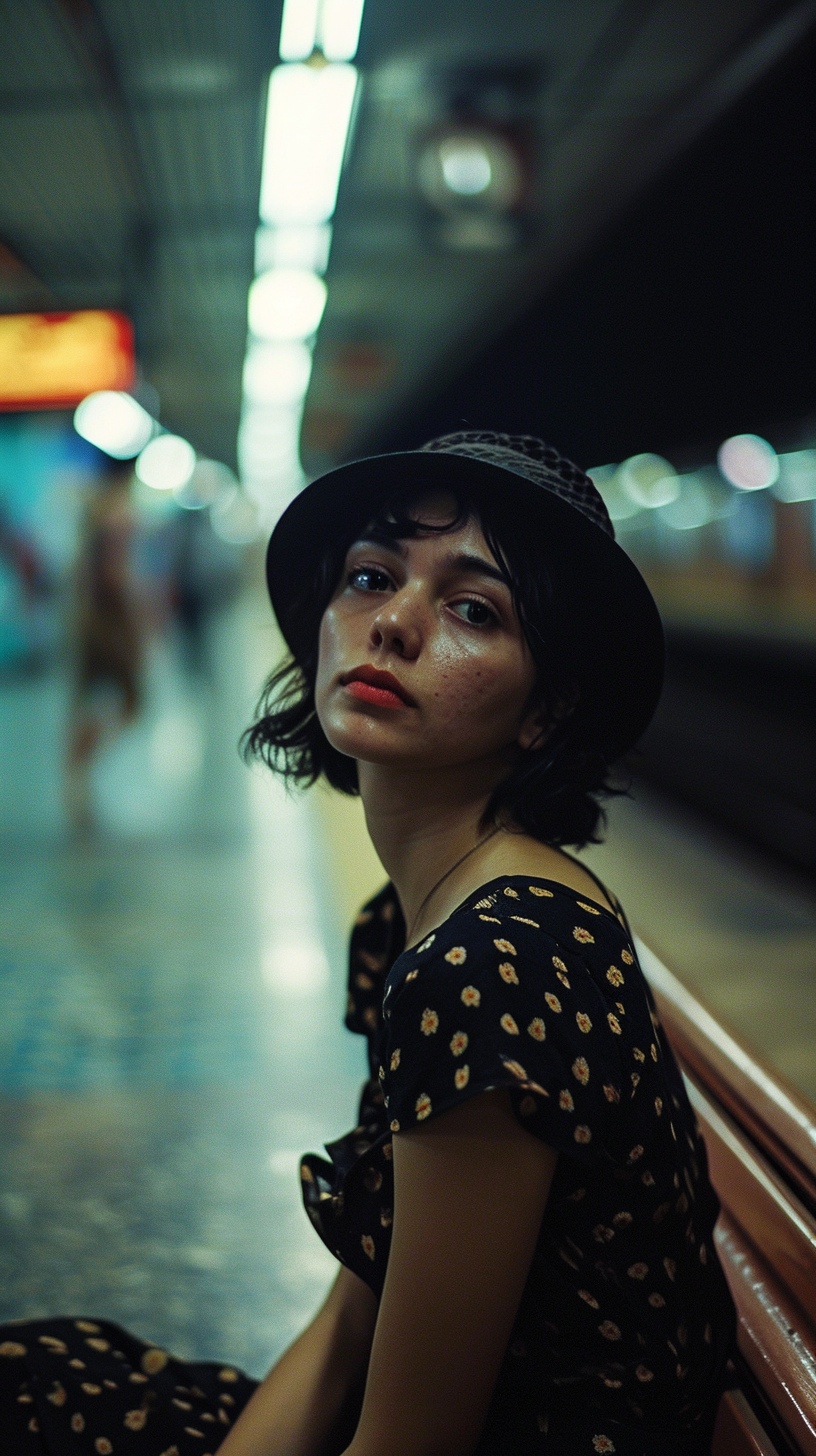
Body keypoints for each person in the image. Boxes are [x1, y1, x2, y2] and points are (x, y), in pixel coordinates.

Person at [0, 432, 735, 1455]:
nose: (393, 622)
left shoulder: (493, 965)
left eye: (474, 608)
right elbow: (355, 1318)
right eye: (370, 576)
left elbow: (408, 1437)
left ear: (548, 708)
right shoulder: (420, 915)